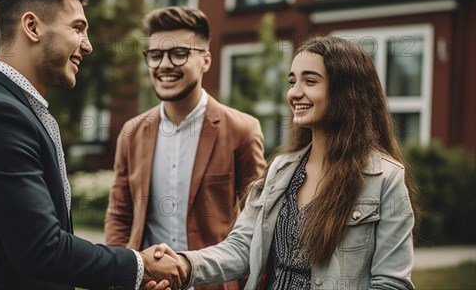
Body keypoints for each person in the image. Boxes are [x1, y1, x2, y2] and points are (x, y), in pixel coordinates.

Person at [0, 0, 186, 290]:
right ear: (32, 27)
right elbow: (42, 248)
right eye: (78, 28)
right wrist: (138, 266)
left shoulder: (12, 108)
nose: (87, 45)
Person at [156, 35, 419, 289]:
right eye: (292, 82)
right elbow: (241, 248)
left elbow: (391, 284)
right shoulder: (280, 171)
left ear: (346, 92)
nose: (294, 93)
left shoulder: (385, 180)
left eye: (310, 81)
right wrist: (184, 264)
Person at [104, 6, 267, 290]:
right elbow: (120, 215)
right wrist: (125, 276)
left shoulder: (242, 129)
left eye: (179, 53)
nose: (164, 64)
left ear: (205, 60)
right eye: (155, 55)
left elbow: (259, 221)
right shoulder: (131, 132)